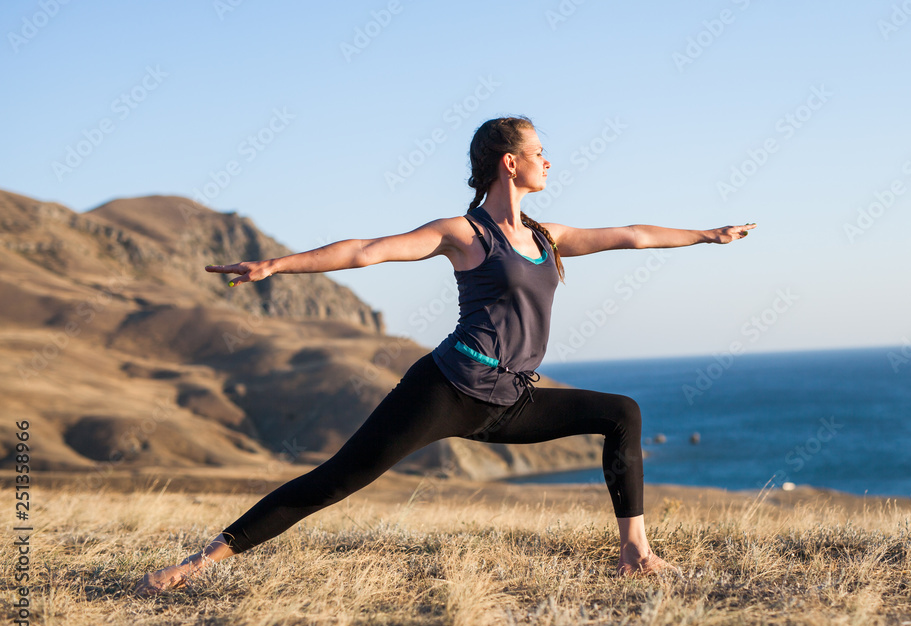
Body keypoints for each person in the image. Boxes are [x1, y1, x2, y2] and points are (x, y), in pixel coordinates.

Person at [134, 116, 755, 595]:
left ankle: (636, 553)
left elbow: (631, 235)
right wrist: (276, 264)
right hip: (447, 389)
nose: (548, 161)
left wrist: (706, 235)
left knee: (621, 411)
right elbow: (368, 250)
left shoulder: (546, 236)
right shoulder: (464, 235)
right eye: (539, 152)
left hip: (512, 399)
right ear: (510, 164)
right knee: (337, 480)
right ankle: (197, 562)